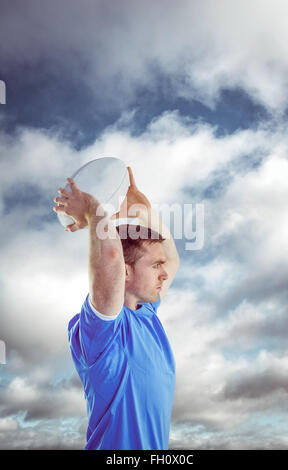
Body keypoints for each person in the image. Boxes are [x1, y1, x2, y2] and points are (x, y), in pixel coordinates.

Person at [53, 167, 180, 450]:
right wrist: (93, 211)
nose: (164, 273)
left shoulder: (147, 315)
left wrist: (143, 210)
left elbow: (172, 261)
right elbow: (110, 256)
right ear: (124, 272)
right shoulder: (101, 329)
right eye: (155, 266)